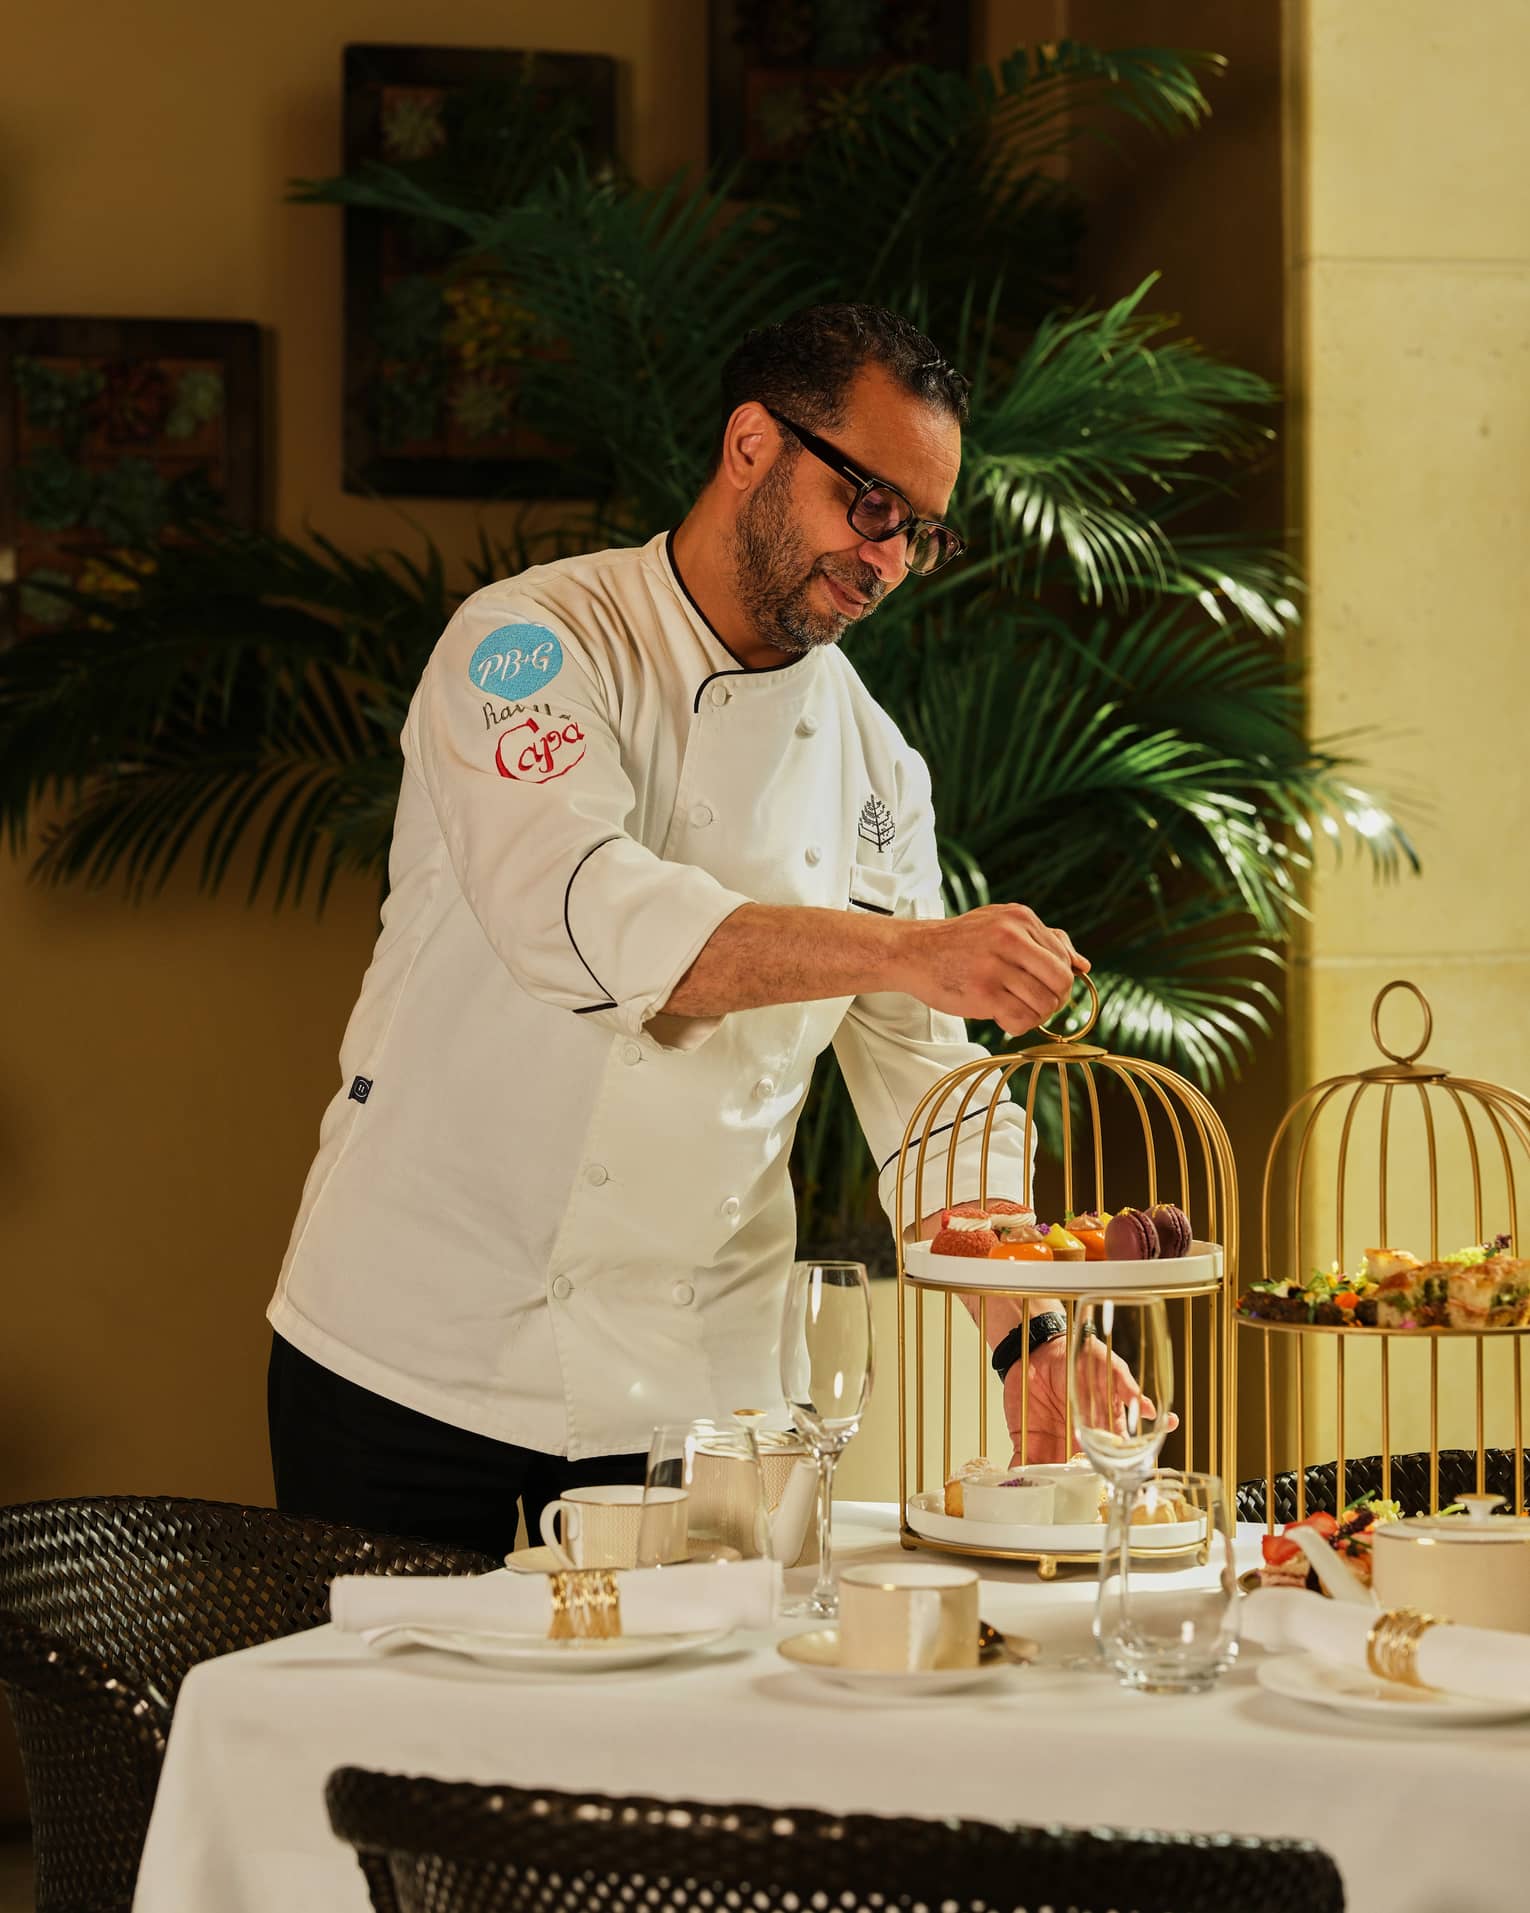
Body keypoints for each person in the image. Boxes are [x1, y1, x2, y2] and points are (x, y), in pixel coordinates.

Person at [266, 303, 1151, 1559]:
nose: (889, 560)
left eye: (922, 531)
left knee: (675, 1755)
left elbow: (928, 1095)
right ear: (752, 444)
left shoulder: (876, 768)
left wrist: (1033, 1339)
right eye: (871, 504)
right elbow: (576, 908)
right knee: (390, 1747)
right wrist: (903, 949)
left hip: (694, 1386)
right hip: (417, 1341)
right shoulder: (530, 642)